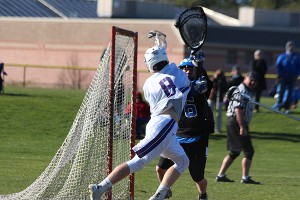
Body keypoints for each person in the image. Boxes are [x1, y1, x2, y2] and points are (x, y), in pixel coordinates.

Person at [88, 45, 192, 200]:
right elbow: (184, 87)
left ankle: (159, 195)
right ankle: (100, 187)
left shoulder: (149, 84)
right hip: (165, 124)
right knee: (138, 161)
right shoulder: (179, 74)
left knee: (183, 161)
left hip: (160, 122)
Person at [155, 55, 214, 200]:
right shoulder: (175, 86)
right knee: (160, 168)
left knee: (198, 177)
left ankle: (203, 194)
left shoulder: (201, 84)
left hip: (197, 137)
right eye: (184, 68)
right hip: (177, 134)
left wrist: (200, 65)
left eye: (190, 68)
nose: (187, 71)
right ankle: (165, 190)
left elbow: (205, 85)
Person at [216, 71, 261, 184]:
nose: (252, 82)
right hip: (236, 122)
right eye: (251, 79)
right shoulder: (241, 90)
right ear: (246, 77)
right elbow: (238, 110)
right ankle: (245, 177)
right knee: (248, 151)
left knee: (234, 151)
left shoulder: (248, 91)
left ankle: (220, 175)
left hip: (235, 122)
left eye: (255, 81)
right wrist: (242, 127)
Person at [273, 41, 300, 114]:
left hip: (292, 77)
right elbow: (278, 66)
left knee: (290, 93)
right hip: (283, 77)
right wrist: (281, 74)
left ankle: (287, 107)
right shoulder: (282, 56)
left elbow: (298, 67)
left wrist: (296, 75)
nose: (290, 47)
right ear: (286, 47)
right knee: (281, 92)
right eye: (289, 46)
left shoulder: (296, 56)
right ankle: (278, 106)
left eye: (291, 46)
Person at [208, 68, 227, 133]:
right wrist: (214, 78)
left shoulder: (223, 80)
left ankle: (218, 129)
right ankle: (209, 128)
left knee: (218, 115)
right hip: (212, 97)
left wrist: (221, 80)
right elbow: (210, 84)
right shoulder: (213, 79)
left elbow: (224, 88)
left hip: (219, 98)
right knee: (210, 113)